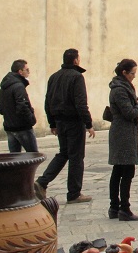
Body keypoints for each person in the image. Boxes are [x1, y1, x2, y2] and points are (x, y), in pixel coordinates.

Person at [36, 48, 96, 204]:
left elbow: (48, 102)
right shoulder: (77, 77)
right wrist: (88, 123)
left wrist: (52, 122)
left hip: (60, 122)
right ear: (76, 60)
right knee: (76, 157)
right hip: (74, 122)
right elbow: (81, 103)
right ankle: (74, 193)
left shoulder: (54, 77)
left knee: (64, 153)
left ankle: (42, 182)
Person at [108, 58, 138, 222]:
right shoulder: (119, 89)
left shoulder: (123, 86)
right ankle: (123, 208)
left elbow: (128, 106)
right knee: (125, 171)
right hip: (123, 134)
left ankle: (114, 207)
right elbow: (129, 112)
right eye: (132, 73)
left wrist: (137, 100)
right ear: (124, 72)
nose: (134, 76)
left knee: (119, 170)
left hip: (125, 132)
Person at [0, 59, 38, 152]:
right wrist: (31, 119)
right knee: (33, 156)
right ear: (20, 72)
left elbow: (1, 108)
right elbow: (22, 106)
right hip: (22, 127)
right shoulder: (18, 86)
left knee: (14, 157)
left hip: (9, 127)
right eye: (27, 70)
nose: (28, 72)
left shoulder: (4, 87)